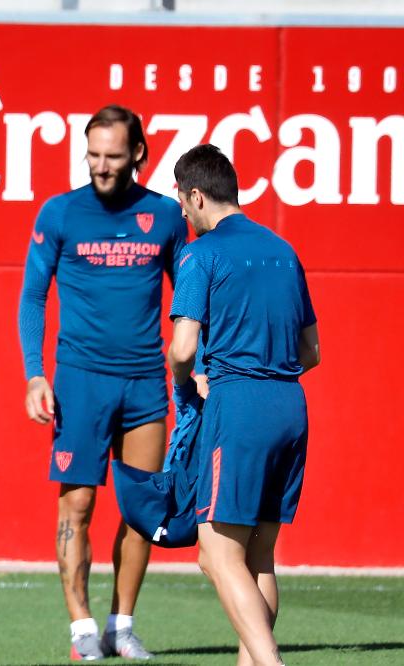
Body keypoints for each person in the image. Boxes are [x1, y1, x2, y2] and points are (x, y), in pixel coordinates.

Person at [17, 105, 188, 660]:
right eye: (92, 155)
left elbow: (190, 297)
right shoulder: (60, 212)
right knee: (79, 505)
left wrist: (196, 367)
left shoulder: (164, 216)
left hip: (145, 384)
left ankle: (122, 623)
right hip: (79, 383)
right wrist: (35, 374)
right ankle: (82, 628)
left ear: (139, 153)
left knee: (142, 508)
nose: (101, 166)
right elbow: (33, 297)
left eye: (113, 156)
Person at [168, 144, 320, 666]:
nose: (182, 215)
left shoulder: (199, 254)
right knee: (258, 554)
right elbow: (311, 353)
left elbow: (183, 349)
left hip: (239, 408)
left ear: (195, 195)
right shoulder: (283, 248)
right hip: (291, 407)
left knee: (216, 552)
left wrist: (189, 384)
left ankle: (271, 663)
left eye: (183, 204)